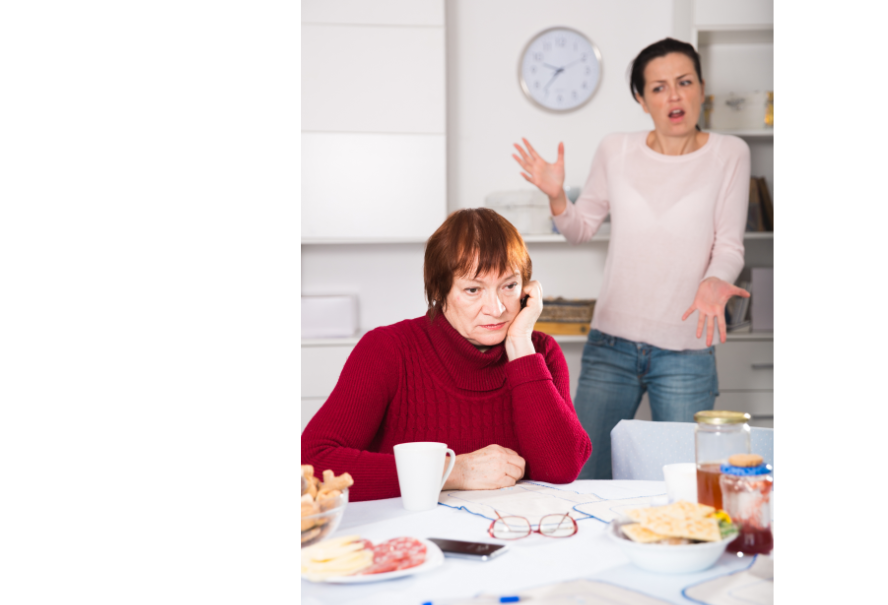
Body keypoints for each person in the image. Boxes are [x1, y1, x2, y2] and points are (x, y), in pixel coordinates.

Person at [512, 38, 752, 479]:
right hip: (612, 346)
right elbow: (579, 230)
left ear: (701, 87)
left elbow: (730, 246)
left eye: (684, 82)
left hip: (687, 350)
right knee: (581, 473)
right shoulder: (616, 150)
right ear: (641, 100)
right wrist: (557, 196)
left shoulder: (729, 153)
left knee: (682, 480)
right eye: (658, 87)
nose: (674, 95)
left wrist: (715, 279)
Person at [301, 208, 592, 501]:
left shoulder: (539, 352)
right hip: (413, 535)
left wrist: (520, 347)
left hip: (510, 533)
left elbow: (561, 468)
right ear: (440, 290)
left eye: (509, 286)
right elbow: (311, 464)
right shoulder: (387, 350)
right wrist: (454, 471)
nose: (497, 308)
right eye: (473, 290)